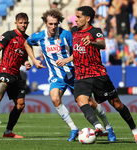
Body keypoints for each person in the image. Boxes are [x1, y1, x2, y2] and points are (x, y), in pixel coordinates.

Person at [24, 8, 116, 142]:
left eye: (56, 24)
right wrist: (34, 59)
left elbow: (79, 51)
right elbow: (26, 43)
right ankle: (73, 128)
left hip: (75, 74)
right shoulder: (39, 36)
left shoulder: (66, 34)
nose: (53, 27)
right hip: (57, 76)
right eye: (50, 24)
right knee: (55, 99)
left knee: (90, 102)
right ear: (45, 23)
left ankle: (108, 126)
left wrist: (67, 60)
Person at [71, 6, 137, 143]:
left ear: (87, 18)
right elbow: (75, 53)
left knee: (117, 105)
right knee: (81, 101)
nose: (76, 19)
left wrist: (91, 42)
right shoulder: (73, 31)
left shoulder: (95, 31)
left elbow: (102, 44)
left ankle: (135, 131)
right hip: (81, 75)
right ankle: (98, 127)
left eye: (78, 16)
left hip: (98, 74)